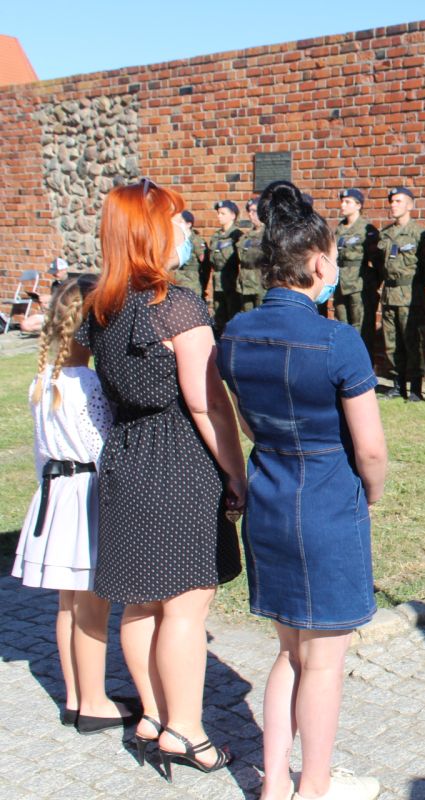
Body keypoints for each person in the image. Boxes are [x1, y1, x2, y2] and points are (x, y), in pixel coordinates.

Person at [218, 181, 386, 800]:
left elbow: (243, 417)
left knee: (289, 651)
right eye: (333, 257)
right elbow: (370, 449)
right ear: (318, 263)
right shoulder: (339, 340)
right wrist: (371, 494)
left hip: (268, 496)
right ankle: (312, 786)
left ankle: (274, 785)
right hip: (325, 501)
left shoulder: (235, 332)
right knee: (324, 659)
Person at [77, 178, 244, 779]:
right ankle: (186, 731)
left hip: (125, 456)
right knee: (185, 607)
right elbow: (207, 402)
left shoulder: (102, 305)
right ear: (151, 230)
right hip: (177, 462)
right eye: (176, 219)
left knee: (141, 600)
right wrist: (237, 471)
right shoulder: (175, 304)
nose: (184, 229)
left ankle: (152, 715)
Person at [11, 275, 138, 734]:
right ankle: (95, 701)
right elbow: (100, 445)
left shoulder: (44, 378)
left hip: (57, 491)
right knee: (91, 604)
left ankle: (75, 696)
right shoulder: (87, 382)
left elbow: (40, 451)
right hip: (87, 493)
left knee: (68, 603)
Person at [378, 186, 425, 401]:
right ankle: (397, 385)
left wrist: (415, 288)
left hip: (409, 296)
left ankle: (415, 388)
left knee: (411, 342)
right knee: (391, 342)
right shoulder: (385, 234)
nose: (393, 205)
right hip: (389, 294)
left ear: (410, 205)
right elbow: (379, 264)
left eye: (398, 201)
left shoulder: (420, 234)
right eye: (391, 201)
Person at [333, 188, 380, 348]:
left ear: (358, 205)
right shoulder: (339, 229)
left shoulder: (366, 230)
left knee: (361, 330)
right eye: (342, 202)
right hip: (340, 285)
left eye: (347, 202)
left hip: (359, 287)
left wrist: (370, 284)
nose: (343, 205)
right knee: (342, 327)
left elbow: (378, 263)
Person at [207, 199, 242, 334]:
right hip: (217, 280)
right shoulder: (216, 236)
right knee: (219, 315)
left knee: (233, 314)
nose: (219, 216)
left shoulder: (237, 235)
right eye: (218, 213)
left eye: (223, 213)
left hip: (231, 280)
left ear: (233, 215)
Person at [235, 198, 266, 312]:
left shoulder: (268, 235)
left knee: (262, 316)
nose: (250, 214)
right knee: (247, 314)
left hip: (261, 283)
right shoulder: (245, 237)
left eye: (254, 211)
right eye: (249, 211)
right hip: (246, 282)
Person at [172, 211, 207, 298]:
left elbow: (203, 260)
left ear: (188, 224)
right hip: (177, 280)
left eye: (181, 222)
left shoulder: (196, 240)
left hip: (190, 282)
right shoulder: (177, 239)